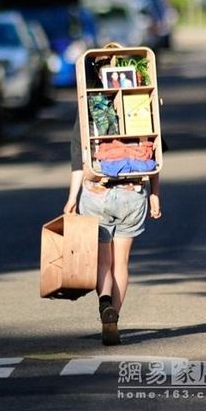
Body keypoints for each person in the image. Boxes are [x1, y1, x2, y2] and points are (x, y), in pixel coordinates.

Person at [63, 116, 161, 345]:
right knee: (122, 263)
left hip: (97, 193)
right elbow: (154, 154)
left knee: (102, 263)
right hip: (132, 193)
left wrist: (72, 197)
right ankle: (113, 318)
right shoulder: (139, 106)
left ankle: (105, 301)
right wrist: (155, 193)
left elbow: (79, 162)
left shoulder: (86, 110)